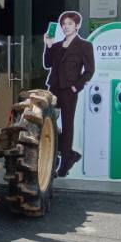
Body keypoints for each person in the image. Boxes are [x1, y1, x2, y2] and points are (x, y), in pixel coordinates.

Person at [43, 11, 95, 177]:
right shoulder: (57, 45)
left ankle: (65, 163)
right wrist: (48, 45)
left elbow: (89, 70)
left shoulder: (84, 46)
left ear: (77, 26)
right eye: (64, 24)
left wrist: (76, 87)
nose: (66, 27)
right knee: (48, 122)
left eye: (70, 24)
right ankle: (67, 154)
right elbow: (47, 63)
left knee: (67, 125)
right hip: (54, 88)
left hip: (68, 90)